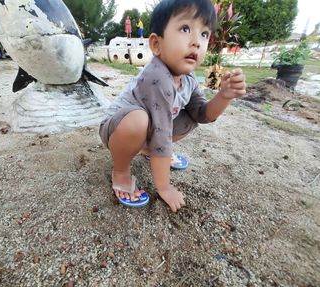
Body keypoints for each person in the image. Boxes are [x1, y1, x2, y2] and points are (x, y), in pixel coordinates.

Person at [99, 0, 246, 212]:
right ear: (156, 44)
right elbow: (161, 132)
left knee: (190, 118)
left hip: (149, 128)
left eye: (204, 34)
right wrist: (164, 187)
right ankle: (121, 171)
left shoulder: (188, 78)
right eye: (185, 29)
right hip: (117, 129)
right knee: (138, 120)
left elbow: (203, 114)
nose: (196, 41)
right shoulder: (156, 76)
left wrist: (224, 96)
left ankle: (146, 149)